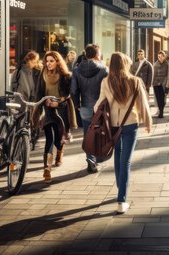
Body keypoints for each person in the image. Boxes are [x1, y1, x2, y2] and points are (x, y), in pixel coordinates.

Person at [94, 52, 152, 214]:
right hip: (130, 124)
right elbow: (143, 104)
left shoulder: (106, 82)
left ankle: (121, 188)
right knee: (125, 161)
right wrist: (147, 122)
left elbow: (97, 105)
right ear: (125, 64)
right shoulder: (135, 81)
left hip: (112, 125)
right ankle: (121, 200)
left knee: (118, 156)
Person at [35, 51, 77, 183]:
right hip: (48, 111)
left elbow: (69, 94)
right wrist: (41, 104)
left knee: (58, 139)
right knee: (49, 139)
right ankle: (47, 169)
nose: (48, 63)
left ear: (57, 62)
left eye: (51, 61)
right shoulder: (43, 75)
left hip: (62, 110)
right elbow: (39, 92)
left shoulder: (66, 76)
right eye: (47, 61)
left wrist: (58, 101)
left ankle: (60, 151)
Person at [71, 44, 108, 173]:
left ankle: (90, 159)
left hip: (85, 107)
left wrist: (77, 105)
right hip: (101, 108)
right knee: (100, 133)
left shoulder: (76, 70)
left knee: (88, 134)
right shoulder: (104, 70)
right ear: (97, 55)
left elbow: (73, 91)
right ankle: (97, 158)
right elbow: (108, 90)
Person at [152, 51, 169, 118]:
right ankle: (160, 112)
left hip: (163, 84)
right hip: (155, 84)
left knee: (163, 99)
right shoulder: (155, 64)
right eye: (158, 57)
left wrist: (167, 85)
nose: (159, 58)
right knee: (158, 99)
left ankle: (161, 112)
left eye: (161, 56)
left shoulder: (167, 64)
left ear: (164, 57)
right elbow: (153, 75)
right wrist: (152, 83)